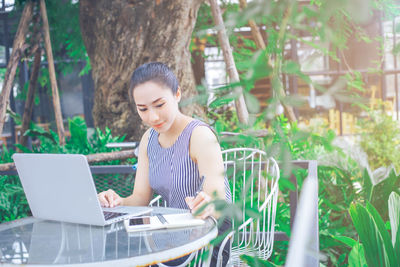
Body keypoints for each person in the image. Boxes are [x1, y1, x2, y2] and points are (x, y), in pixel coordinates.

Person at [98, 62, 232, 266]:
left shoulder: (200, 136)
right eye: (142, 109)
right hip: (175, 231)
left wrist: (208, 203)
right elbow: (140, 198)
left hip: (209, 233)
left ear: (177, 94)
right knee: (115, 252)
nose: (152, 117)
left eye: (160, 105)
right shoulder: (148, 140)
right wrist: (116, 202)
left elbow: (218, 200)